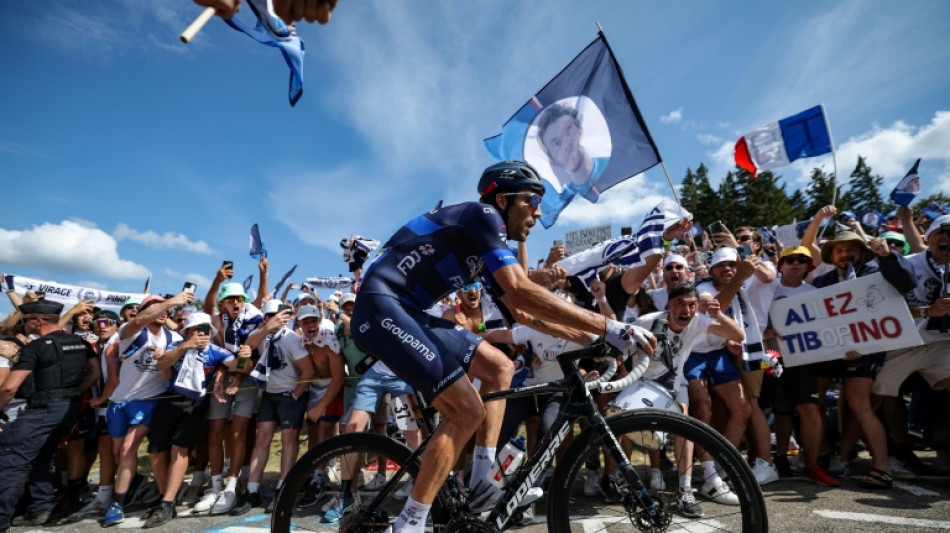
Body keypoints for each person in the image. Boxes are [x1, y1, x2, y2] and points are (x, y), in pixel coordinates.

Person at [352, 160, 659, 533]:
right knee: (466, 410)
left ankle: (482, 480)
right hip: (380, 304)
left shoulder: (483, 247)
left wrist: (591, 338)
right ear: (503, 199)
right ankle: (410, 524)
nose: (538, 213)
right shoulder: (482, 217)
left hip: (408, 309)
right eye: (532, 200)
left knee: (501, 368)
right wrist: (609, 325)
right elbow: (522, 290)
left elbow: (522, 315)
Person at [811, 230, 915, 489]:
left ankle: (882, 466)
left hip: (864, 351)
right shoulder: (822, 281)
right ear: (832, 255)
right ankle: (823, 455)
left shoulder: (879, 273)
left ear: (862, 252)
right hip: (827, 350)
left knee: (860, 405)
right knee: (816, 402)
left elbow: (907, 282)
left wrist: (887, 256)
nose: (845, 254)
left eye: (851, 249)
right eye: (839, 250)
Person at [0, 300, 99, 530]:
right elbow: (94, 370)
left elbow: (9, 387)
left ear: (39, 321)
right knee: (42, 457)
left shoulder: (36, 347)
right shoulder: (80, 343)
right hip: (70, 409)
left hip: (42, 409)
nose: (24, 325)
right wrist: (77, 391)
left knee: (11, 462)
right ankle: (41, 508)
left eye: (26, 321)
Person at [141, 312, 244, 528]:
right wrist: (183, 347)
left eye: (206, 329)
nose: (201, 334)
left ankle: (167, 503)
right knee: (156, 449)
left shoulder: (215, 351)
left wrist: (245, 355)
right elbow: (162, 366)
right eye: (197, 329)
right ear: (188, 331)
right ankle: (166, 496)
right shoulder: (178, 344)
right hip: (169, 399)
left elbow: (240, 366)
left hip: (194, 404)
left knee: (181, 449)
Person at [102, 292, 192, 527]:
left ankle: (117, 502)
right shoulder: (129, 331)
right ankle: (132, 488)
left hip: (150, 400)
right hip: (119, 402)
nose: (163, 311)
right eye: (156, 308)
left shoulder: (172, 336)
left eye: (166, 310)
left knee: (127, 448)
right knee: (118, 451)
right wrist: (170, 301)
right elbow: (140, 321)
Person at [535, 103, 606, 202]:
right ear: (552, 160)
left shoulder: (613, 164)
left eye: (568, 131)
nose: (566, 143)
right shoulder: (561, 200)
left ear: (580, 130)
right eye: (557, 143)